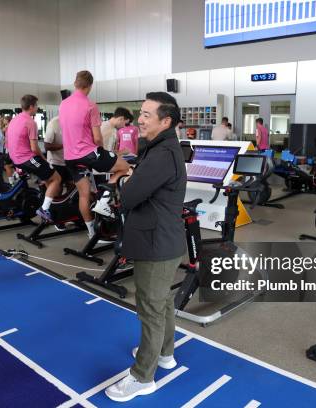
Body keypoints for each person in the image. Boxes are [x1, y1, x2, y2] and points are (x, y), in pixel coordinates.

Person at [105, 92, 186, 402]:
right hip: (162, 240)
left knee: (150, 308)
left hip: (157, 244)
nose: (140, 119)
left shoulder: (163, 153)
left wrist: (124, 178)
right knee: (161, 300)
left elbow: (129, 196)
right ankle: (164, 353)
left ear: (165, 121)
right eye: (140, 113)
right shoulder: (158, 148)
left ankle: (143, 376)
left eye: (147, 115)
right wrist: (131, 173)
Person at [59, 70, 130, 237]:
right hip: (89, 153)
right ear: (90, 86)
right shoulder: (90, 105)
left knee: (84, 195)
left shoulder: (63, 104)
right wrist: (102, 152)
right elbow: (97, 138)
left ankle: (92, 234)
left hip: (70, 157)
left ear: (75, 83)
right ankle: (104, 201)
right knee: (124, 167)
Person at [5, 94, 61, 222]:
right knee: (57, 178)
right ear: (31, 106)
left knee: (48, 178)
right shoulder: (30, 122)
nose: (37, 108)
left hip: (15, 159)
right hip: (26, 159)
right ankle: (44, 209)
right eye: (36, 105)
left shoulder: (14, 119)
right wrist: (44, 159)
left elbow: (8, 142)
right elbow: (34, 148)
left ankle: (48, 203)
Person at [43, 115, 71, 183]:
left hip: (70, 162)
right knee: (58, 188)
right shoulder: (53, 123)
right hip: (56, 163)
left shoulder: (74, 122)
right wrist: (65, 145)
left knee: (72, 188)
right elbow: (47, 146)